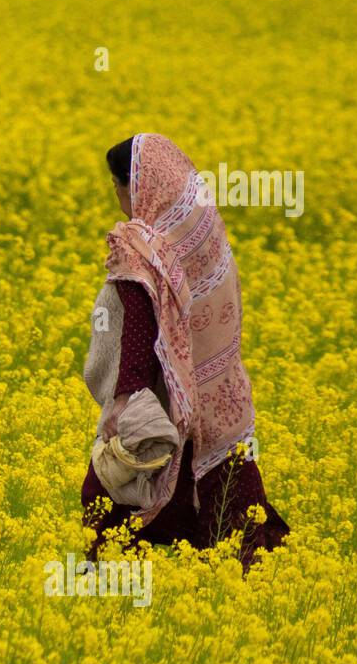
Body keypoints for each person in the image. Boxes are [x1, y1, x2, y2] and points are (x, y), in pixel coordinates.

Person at [82, 133, 288, 570]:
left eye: (117, 183)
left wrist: (127, 401)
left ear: (136, 185)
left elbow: (136, 340)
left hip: (159, 408)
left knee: (107, 507)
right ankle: (246, 594)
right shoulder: (206, 241)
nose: (117, 194)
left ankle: (110, 595)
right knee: (235, 518)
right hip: (219, 406)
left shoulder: (141, 252)